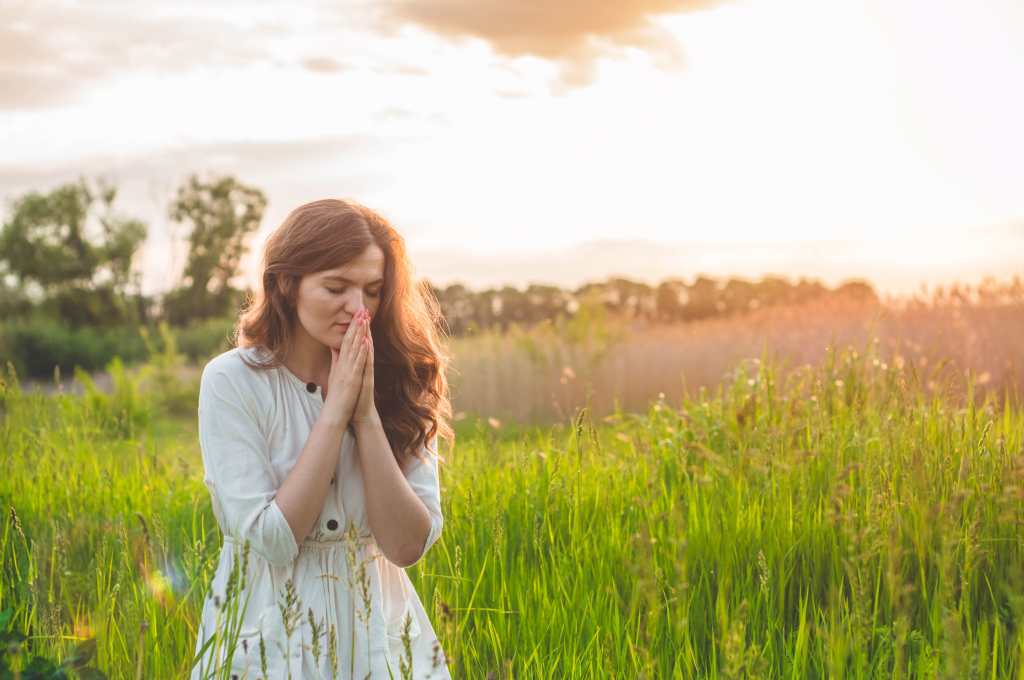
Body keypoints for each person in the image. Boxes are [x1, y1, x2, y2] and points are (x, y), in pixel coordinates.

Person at [189, 199, 454, 679]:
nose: (358, 310)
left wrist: (366, 415)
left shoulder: (403, 380)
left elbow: (406, 545)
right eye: (336, 287)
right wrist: (334, 415)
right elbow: (272, 540)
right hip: (269, 634)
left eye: (372, 291)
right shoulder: (233, 381)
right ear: (287, 284)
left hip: (377, 635)